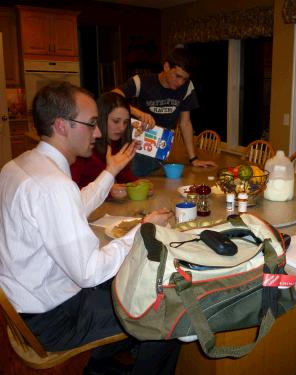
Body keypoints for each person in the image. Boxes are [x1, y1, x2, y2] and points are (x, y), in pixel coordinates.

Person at [0, 82, 180, 374]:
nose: (98, 133)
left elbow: (71, 208)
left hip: (29, 306)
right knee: (168, 311)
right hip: (54, 319)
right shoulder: (52, 185)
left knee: (129, 281)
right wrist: (143, 228)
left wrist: (109, 172)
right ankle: (116, 355)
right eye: (92, 123)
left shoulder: (20, 165)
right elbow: (89, 272)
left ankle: (104, 361)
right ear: (62, 125)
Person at [113, 47, 217, 176]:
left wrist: (193, 159)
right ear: (167, 66)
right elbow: (113, 97)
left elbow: (185, 123)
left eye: (184, 79)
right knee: (135, 176)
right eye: (177, 76)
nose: (180, 82)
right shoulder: (142, 82)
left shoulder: (187, 87)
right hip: (139, 147)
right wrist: (139, 113)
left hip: (163, 149)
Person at [71, 91, 137, 189]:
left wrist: (137, 184)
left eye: (126, 122)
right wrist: (108, 191)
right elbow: (71, 191)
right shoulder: (83, 148)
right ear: (101, 119)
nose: (122, 127)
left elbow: (125, 177)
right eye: (116, 121)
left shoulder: (117, 143)